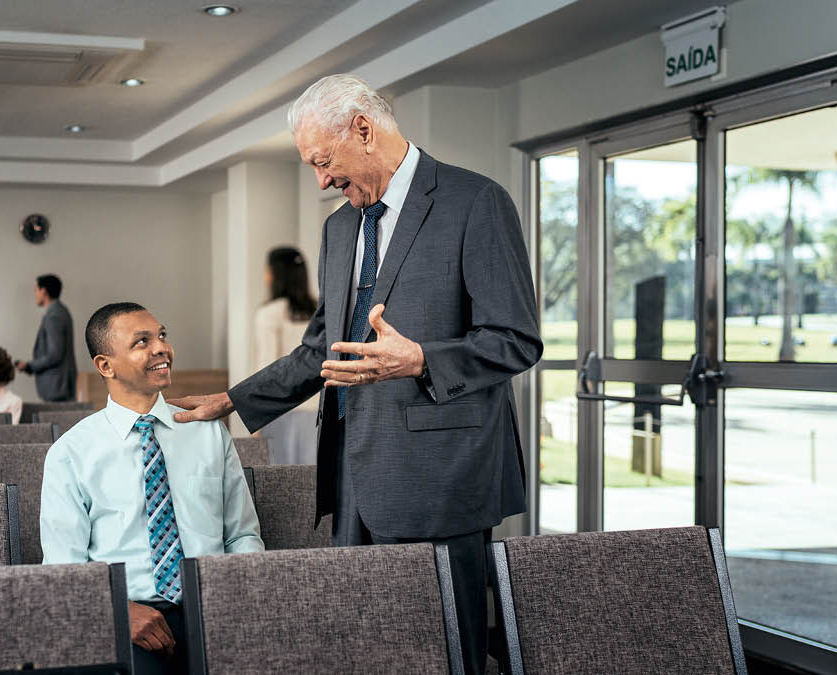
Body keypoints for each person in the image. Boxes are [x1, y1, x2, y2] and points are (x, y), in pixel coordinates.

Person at [169, 74, 542, 675]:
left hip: (440, 478)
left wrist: (420, 359)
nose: (321, 181)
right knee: (366, 645)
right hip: (352, 475)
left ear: (363, 130)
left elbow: (516, 339)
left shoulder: (475, 201)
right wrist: (233, 400)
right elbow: (322, 346)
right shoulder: (340, 226)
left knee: (451, 651)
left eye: (323, 161)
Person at [40, 302, 262, 675]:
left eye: (161, 335)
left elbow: (242, 535)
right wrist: (118, 611)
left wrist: (237, 595)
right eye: (142, 341)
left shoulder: (208, 433)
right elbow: (64, 567)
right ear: (105, 365)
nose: (161, 348)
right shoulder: (71, 452)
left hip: (217, 604)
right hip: (127, 615)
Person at [252, 247, 319, 464]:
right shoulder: (321, 309)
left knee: (285, 485)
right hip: (321, 408)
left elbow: (267, 369)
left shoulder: (269, 313)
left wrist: (256, 417)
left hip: (282, 409)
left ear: (273, 274)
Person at [16, 274, 77, 402]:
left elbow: (54, 355)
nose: (35, 294)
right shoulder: (59, 311)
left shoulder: (54, 315)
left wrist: (30, 365)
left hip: (57, 386)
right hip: (59, 385)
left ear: (43, 291)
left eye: (35, 290)